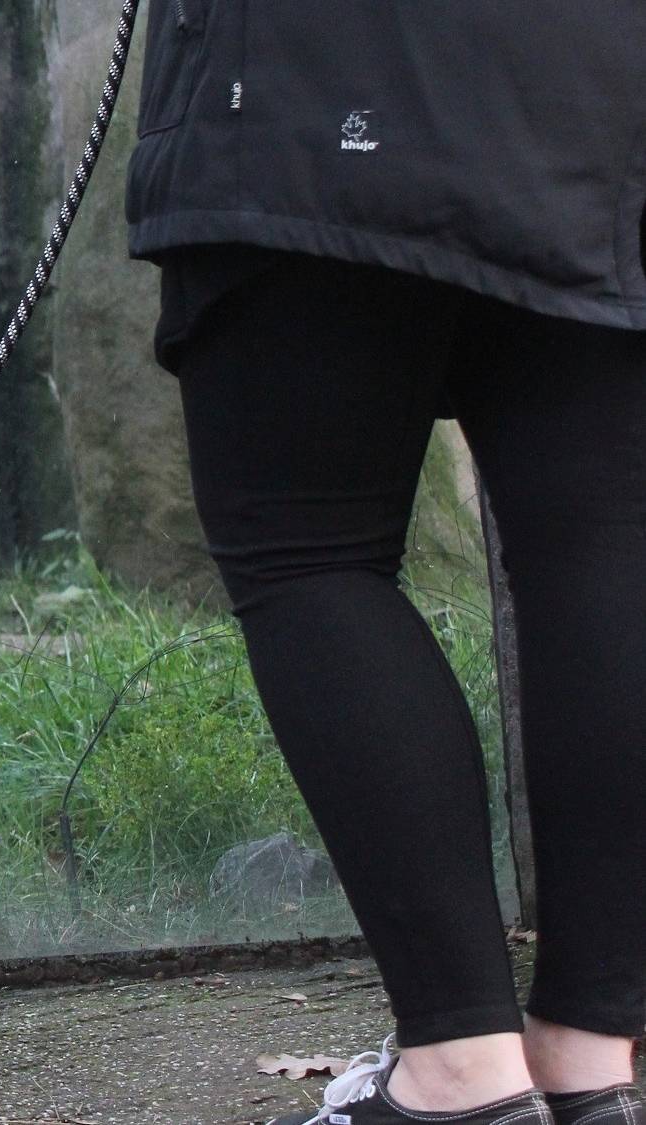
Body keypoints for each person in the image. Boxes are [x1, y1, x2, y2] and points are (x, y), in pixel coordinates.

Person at [128, 5, 646, 1124]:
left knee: (307, 546)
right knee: (598, 547)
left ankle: (459, 1070)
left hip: (324, 83)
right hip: (599, 87)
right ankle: (587, 1056)